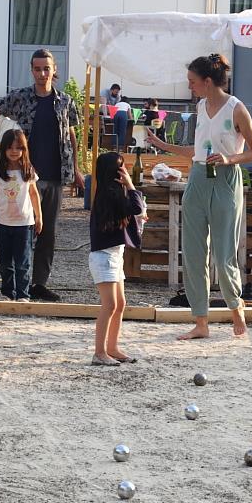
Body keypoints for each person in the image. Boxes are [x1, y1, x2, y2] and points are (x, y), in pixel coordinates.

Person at [145, 54, 252, 339]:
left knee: (224, 256)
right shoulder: (200, 106)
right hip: (198, 179)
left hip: (225, 180)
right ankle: (200, 322)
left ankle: (237, 310)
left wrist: (229, 158)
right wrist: (161, 144)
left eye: (193, 82)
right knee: (195, 254)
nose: (190, 87)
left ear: (208, 81)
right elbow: (197, 152)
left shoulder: (236, 109)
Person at [0, 50, 83, 301]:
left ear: (54, 70)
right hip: (24, 175)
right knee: (23, 229)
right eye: (37, 69)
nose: (42, 74)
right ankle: (18, 284)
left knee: (47, 230)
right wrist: (7, 134)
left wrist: (77, 168)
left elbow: (71, 134)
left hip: (55, 173)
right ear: (32, 70)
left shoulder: (65, 101)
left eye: (46, 69)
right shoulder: (20, 97)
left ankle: (39, 283)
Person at [88, 150, 146, 365]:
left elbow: (130, 213)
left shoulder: (110, 192)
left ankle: (112, 347)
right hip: (104, 256)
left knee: (120, 303)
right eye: (121, 168)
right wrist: (130, 185)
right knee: (110, 304)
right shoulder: (111, 192)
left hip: (115, 253)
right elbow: (136, 207)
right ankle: (99, 352)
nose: (124, 172)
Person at [0, 129, 43, 301]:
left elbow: (34, 194)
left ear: (24, 150)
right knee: (5, 263)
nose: (14, 151)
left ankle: (23, 294)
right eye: (10, 148)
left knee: (23, 262)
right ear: (3, 149)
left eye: (18, 148)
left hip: (24, 223)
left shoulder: (28, 172)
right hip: (3, 223)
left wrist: (39, 217)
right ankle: (7, 293)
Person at [102, 82, 131, 150]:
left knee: (115, 130)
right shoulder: (127, 105)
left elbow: (113, 110)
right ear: (111, 90)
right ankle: (120, 147)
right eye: (116, 92)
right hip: (123, 114)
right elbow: (129, 115)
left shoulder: (117, 103)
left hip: (116, 114)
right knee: (122, 130)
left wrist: (111, 118)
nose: (117, 93)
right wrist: (132, 121)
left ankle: (114, 145)